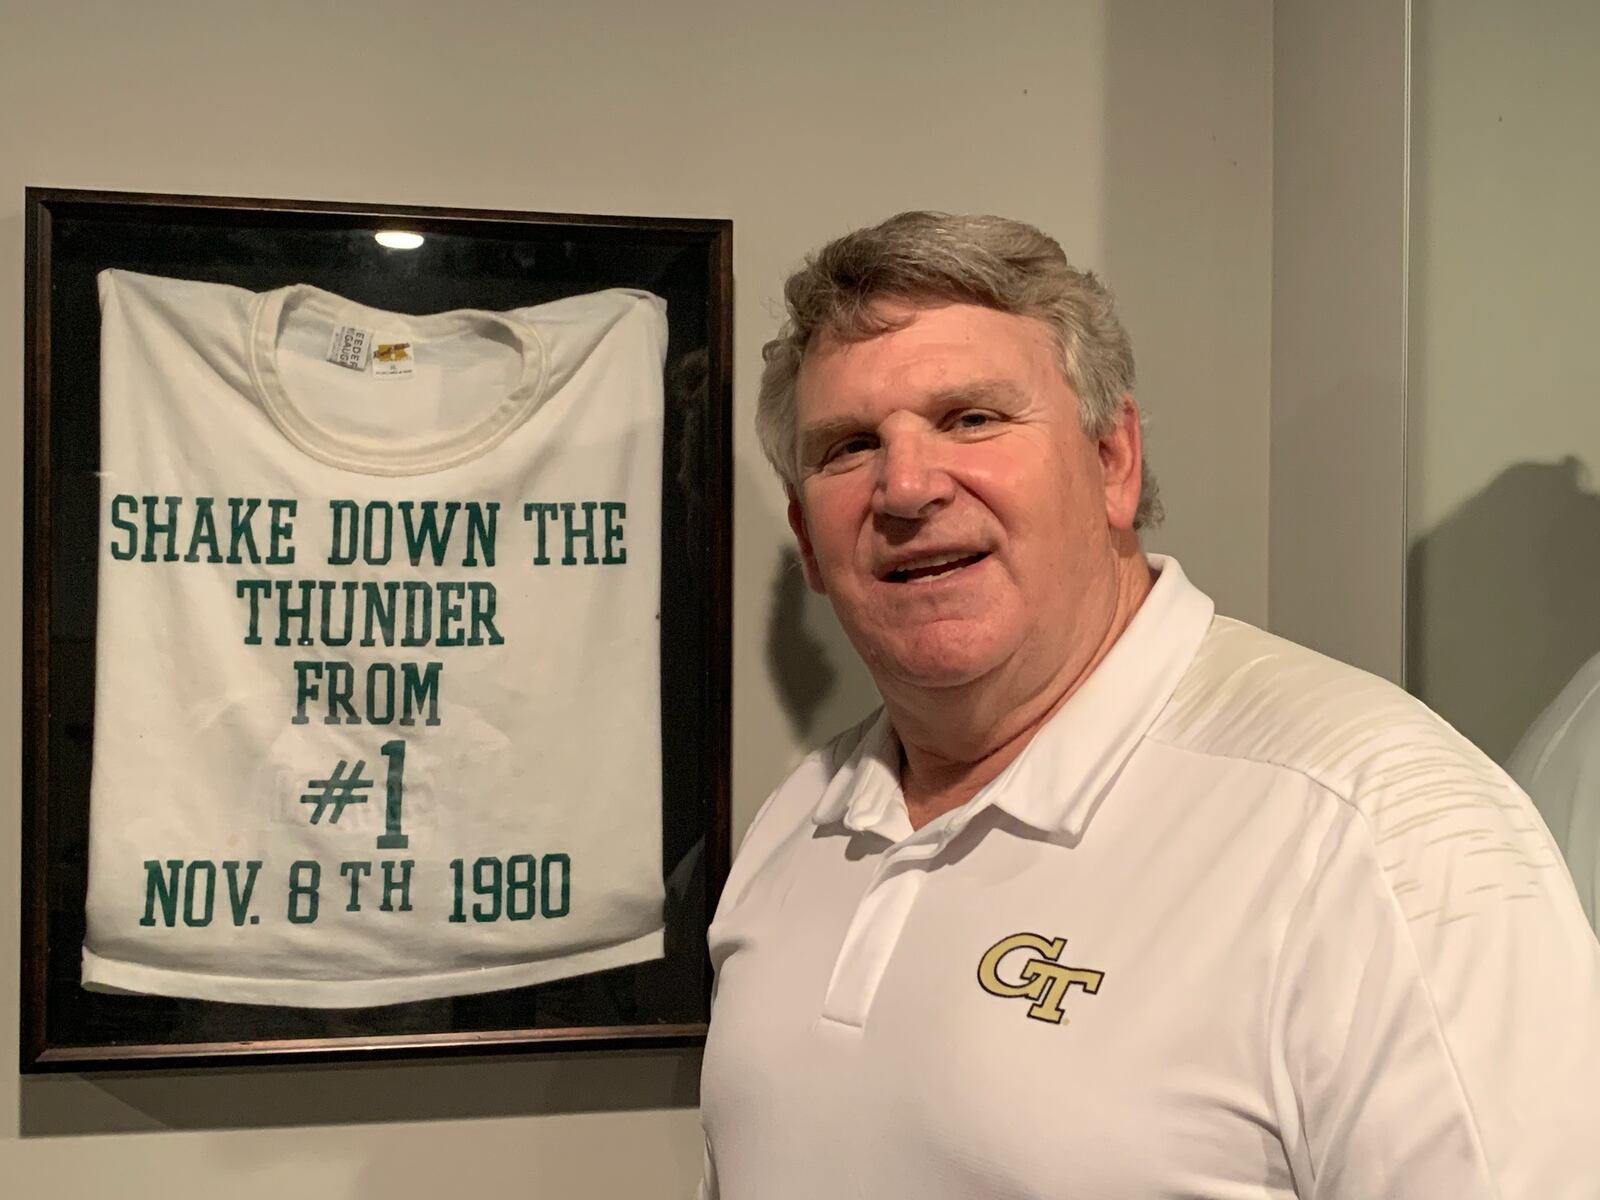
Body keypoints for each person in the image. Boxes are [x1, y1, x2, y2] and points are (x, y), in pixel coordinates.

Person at [696, 211, 1600, 1198]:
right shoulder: (796, 828)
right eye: (848, 446)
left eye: (972, 418)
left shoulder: (1375, 831)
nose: (906, 486)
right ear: (805, 534)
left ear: (1112, 460)